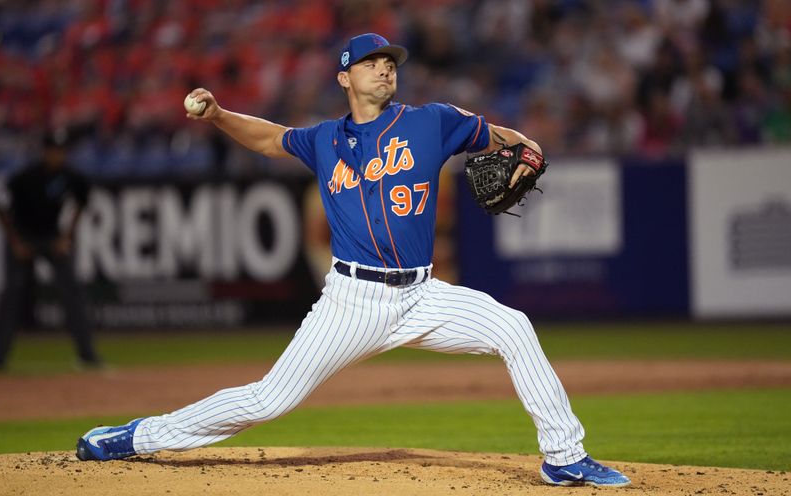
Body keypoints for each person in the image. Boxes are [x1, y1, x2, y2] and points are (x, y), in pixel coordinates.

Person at [75, 33, 630, 488]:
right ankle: (137, 437)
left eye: (390, 63)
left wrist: (525, 146)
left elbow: (498, 135)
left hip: (422, 294)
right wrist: (219, 114)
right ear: (345, 77)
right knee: (268, 400)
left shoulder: (431, 120)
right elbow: (271, 140)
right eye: (371, 63)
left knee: (514, 327)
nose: (386, 70)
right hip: (352, 301)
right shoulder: (324, 140)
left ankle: (564, 457)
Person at [0, 130, 102, 371]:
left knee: (72, 291)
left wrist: (66, 237)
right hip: (23, 236)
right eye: (53, 151)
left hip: (51, 238)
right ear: (45, 152)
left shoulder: (71, 176)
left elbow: (80, 205)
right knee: (12, 293)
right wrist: (15, 241)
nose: (57, 155)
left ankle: (87, 355)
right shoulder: (25, 177)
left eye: (61, 151)